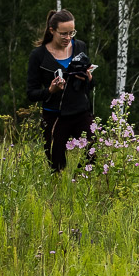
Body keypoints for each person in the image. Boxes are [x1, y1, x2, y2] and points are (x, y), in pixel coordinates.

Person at [25, 9, 95, 172]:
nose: (68, 37)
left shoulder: (80, 46)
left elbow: (90, 86)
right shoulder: (38, 55)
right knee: (56, 167)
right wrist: (50, 90)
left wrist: (89, 79)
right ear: (52, 30)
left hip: (81, 112)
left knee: (95, 150)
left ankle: (78, 180)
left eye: (71, 33)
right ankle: (62, 186)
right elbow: (31, 93)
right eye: (63, 33)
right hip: (54, 117)